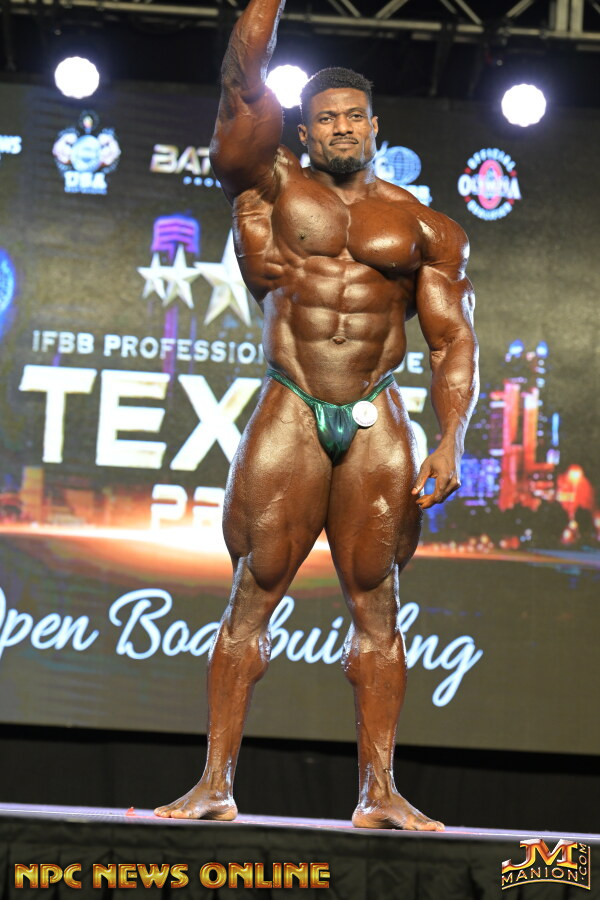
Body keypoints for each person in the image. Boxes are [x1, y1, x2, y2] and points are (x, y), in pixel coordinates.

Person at [155, 0, 479, 831]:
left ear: (375, 126)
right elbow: (242, 79)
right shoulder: (270, 182)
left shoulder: (426, 228)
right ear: (302, 131)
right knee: (253, 591)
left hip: (378, 414)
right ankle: (214, 784)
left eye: (353, 116)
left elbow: (451, 341)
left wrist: (451, 439)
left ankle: (380, 793)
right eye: (327, 118)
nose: (341, 127)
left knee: (379, 602)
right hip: (292, 403)